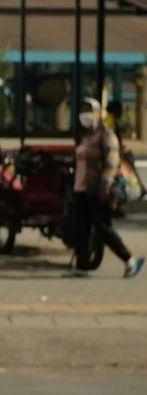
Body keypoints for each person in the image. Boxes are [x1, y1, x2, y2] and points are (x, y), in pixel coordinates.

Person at [70, 98, 144, 278]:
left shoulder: (106, 135)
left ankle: (130, 260)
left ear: (97, 113)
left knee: (103, 228)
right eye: (82, 110)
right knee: (81, 229)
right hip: (81, 189)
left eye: (89, 111)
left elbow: (111, 163)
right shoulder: (86, 135)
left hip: (97, 189)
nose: (85, 115)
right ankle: (82, 266)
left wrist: (105, 187)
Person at [106, 101, 146, 200]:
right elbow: (111, 138)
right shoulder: (110, 120)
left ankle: (140, 187)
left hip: (115, 151)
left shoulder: (110, 120)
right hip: (114, 153)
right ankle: (139, 188)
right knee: (127, 166)